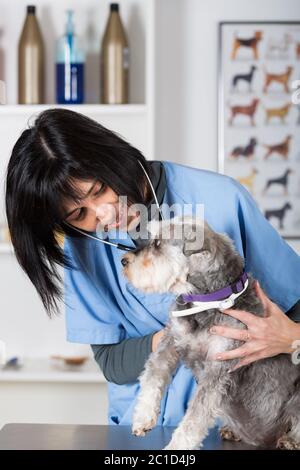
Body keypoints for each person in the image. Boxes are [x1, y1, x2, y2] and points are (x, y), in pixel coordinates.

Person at [5, 108, 300, 426]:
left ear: (111, 157)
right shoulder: (83, 249)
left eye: (100, 190)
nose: (104, 215)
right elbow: (111, 362)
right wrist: (176, 338)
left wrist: (292, 337)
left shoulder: (221, 199)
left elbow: (292, 302)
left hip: (239, 426)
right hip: (145, 430)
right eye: (78, 215)